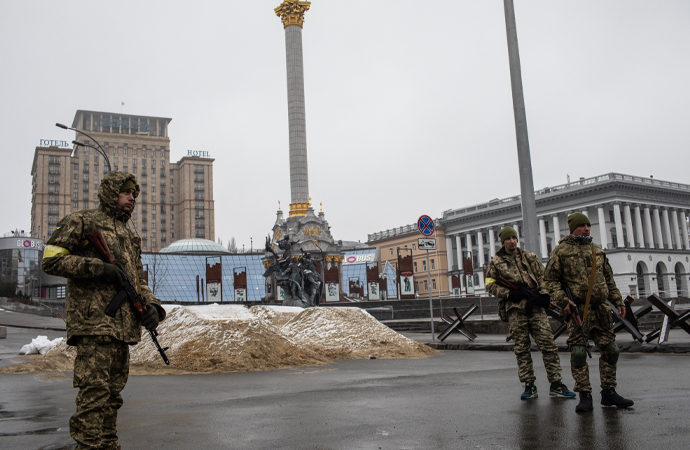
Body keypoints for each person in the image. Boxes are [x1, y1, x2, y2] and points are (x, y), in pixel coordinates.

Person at [42, 171, 166, 448]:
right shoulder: (81, 221)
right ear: (111, 193)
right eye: (126, 192)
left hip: (120, 330)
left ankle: (109, 446)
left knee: (112, 398)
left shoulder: (126, 234)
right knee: (93, 398)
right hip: (93, 325)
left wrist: (153, 307)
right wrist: (98, 268)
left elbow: (136, 280)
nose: (132, 198)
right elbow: (50, 259)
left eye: (134, 194)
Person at [544, 213, 634, 413]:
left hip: (600, 308)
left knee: (611, 350)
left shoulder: (597, 251)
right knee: (578, 353)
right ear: (573, 228)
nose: (586, 228)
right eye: (582, 225)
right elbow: (550, 281)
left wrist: (618, 300)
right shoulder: (561, 251)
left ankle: (609, 392)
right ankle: (584, 394)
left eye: (587, 224)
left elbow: (608, 279)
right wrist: (563, 300)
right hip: (578, 309)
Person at [485, 227, 576, 400]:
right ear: (502, 241)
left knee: (548, 344)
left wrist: (543, 294)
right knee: (522, 348)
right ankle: (529, 385)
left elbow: (543, 278)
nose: (512, 241)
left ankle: (556, 384)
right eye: (508, 238)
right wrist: (509, 294)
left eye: (514, 237)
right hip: (515, 310)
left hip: (536, 307)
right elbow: (489, 284)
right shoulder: (496, 262)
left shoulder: (530, 257)